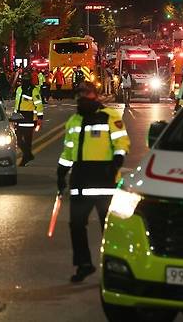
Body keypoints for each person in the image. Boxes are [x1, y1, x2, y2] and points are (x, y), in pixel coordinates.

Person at [56, 81, 130, 283]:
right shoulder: (74, 121)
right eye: (79, 95)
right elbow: (68, 151)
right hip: (80, 182)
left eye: (86, 94)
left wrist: (116, 162)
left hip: (105, 181)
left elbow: (121, 143)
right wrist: (61, 173)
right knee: (77, 226)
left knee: (110, 229)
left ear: (95, 96)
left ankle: (116, 268)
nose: (82, 98)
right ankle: (84, 264)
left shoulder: (110, 117)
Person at [13, 73, 44, 166]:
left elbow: (39, 104)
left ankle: (25, 158)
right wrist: (14, 116)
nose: (24, 82)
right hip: (19, 118)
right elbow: (17, 104)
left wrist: (40, 118)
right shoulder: (19, 89)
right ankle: (28, 154)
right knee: (18, 140)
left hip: (29, 118)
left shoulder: (34, 90)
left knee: (27, 141)